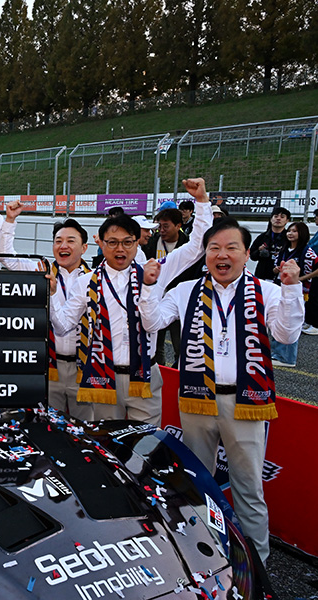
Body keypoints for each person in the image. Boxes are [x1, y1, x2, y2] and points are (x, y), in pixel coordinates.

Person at [139, 218, 303, 565]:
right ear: (205, 255)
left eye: (231, 248)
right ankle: (203, 557)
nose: (222, 255)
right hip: (197, 399)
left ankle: (257, 565)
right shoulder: (186, 291)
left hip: (246, 402)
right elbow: (152, 323)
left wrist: (290, 289)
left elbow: (287, 335)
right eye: (214, 248)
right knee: (196, 483)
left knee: (248, 489)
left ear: (247, 254)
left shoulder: (267, 290)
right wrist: (150, 286)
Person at [50, 178, 214, 424]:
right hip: (102, 377)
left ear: (137, 243)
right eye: (113, 242)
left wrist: (201, 202)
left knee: (146, 446)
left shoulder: (154, 271)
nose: (120, 249)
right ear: (101, 244)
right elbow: (63, 325)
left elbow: (196, 247)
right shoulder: (87, 282)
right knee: (107, 448)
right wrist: (52, 295)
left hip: (145, 376)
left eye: (128, 242)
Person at [47, 219, 93, 421]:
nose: (63, 246)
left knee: (85, 431)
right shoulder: (42, 273)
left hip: (84, 369)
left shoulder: (96, 280)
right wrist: (10, 219)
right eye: (58, 241)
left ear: (84, 247)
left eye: (70, 241)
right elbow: (9, 257)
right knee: (49, 427)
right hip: (49, 368)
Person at [144, 208, 191, 366]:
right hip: (157, 301)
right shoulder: (152, 242)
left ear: (178, 225)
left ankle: (178, 378)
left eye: (166, 226)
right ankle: (160, 377)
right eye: (159, 226)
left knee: (180, 345)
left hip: (178, 302)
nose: (161, 230)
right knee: (157, 346)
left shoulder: (188, 245)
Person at [269, 221, 316, 367]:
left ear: (301, 233)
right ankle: (277, 353)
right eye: (289, 230)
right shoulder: (284, 249)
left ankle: (287, 357)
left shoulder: (307, 251)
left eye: (294, 231)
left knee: (291, 320)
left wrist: (300, 279)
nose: (290, 233)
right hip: (280, 287)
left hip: (299, 291)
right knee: (279, 318)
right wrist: (277, 270)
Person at [250, 206, 291, 280]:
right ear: (271, 219)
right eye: (275, 216)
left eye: (282, 217)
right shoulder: (262, 237)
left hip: (281, 277)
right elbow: (252, 256)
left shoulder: (289, 238)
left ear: (287, 220)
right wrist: (259, 251)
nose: (278, 219)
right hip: (262, 275)